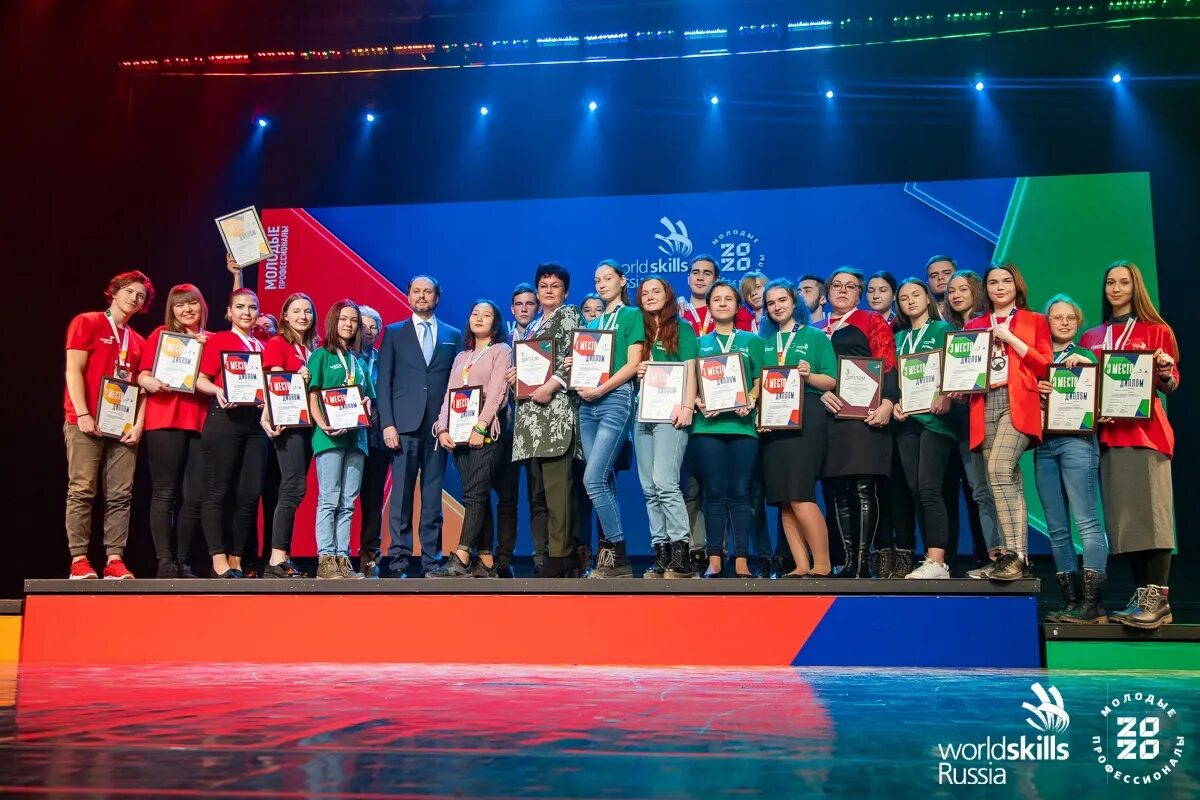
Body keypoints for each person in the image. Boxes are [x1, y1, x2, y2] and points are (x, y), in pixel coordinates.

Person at [1078, 261, 1179, 629]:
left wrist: (1165, 370)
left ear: (1135, 287)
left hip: (1146, 435)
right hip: (1107, 437)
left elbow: (1170, 384)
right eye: (1110, 283)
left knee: (1153, 518)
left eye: (1124, 282)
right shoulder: (1091, 336)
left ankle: (1160, 598)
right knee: (1127, 523)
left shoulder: (1156, 331)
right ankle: (1143, 596)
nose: (1116, 288)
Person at [959, 262, 1052, 582]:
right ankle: (1009, 556)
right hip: (983, 404)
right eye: (993, 282)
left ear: (1017, 286)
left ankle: (1016, 555)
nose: (999, 287)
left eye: (1006, 281)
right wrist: (958, 385)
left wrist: (1011, 338)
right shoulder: (975, 324)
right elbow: (965, 368)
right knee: (1006, 477)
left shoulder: (1034, 320)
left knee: (999, 469)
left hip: (1018, 402)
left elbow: (1045, 365)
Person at [63, 270, 153, 579]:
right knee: (82, 490)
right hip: (84, 421)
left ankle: (114, 559)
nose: (134, 298)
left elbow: (141, 390)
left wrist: (139, 425)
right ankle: (79, 560)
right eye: (129, 291)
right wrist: (83, 413)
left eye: (140, 296)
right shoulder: (86, 322)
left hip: (122, 426)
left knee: (120, 495)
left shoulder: (138, 341)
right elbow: (73, 370)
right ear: (114, 291)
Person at [377, 276, 463, 577]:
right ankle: (398, 561)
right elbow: (383, 383)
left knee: (432, 497)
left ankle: (431, 561)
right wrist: (387, 424)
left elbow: (458, 385)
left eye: (428, 292)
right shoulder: (393, 333)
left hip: (438, 430)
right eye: (417, 291)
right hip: (402, 427)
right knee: (400, 497)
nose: (422, 296)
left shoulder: (453, 335)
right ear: (408, 296)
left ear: (437, 297)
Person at [817, 268, 898, 578]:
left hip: (865, 415)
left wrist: (889, 402)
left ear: (859, 293)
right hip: (830, 416)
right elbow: (806, 374)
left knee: (863, 487)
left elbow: (887, 362)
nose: (842, 290)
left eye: (850, 286)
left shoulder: (870, 321)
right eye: (836, 285)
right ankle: (848, 560)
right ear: (826, 292)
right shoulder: (814, 329)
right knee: (838, 490)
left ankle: (863, 561)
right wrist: (818, 392)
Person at [509, 263, 585, 578]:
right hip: (531, 421)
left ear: (565, 291)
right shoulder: (536, 325)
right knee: (538, 495)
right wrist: (516, 377)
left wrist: (551, 386)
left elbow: (576, 357)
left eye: (555, 285)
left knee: (558, 491)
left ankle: (561, 555)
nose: (549, 290)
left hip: (555, 416)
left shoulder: (570, 315)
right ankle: (542, 556)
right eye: (544, 285)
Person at [1034, 294, 1108, 621]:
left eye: (1070, 318)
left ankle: (1092, 605)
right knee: (1057, 528)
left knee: (1087, 521)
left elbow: (1102, 404)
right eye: (1057, 317)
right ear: (1046, 322)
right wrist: (1036, 388)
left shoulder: (1086, 356)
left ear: (1078, 323)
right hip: (1043, 446)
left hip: (1077, 441)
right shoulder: (1037, 361)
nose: (1064, 322)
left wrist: (1085, 370)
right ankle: (1072, 602)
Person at [569, 260, 644, 578]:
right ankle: (610, 558)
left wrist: (600, 388)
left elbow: (632, 364)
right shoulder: (593, 323)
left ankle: (619, 553)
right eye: (597, 279)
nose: (601, 284)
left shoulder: (632, 315)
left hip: (615, 399)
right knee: (604, 480)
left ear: (622, 281)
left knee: (592, 479)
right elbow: (587, 365)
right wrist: (575, 363)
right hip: (587, 405)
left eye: (607, 278)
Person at [758, 279, 837, 578]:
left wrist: (809, 375)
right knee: (784, 498)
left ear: (794, 302)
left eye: (782, 300)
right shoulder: (764, 343)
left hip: (807, 418)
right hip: (774, 424)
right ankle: (801, 564)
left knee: (801, 493)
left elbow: (830, 380)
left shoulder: (816, 337)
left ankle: (823, 563)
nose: (777, 307)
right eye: (771, 303)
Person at [428, 301, 513, 577]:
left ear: (495, 323)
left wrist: (481, 426)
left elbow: (498, 391)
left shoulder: (501, 350)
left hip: (485, 433)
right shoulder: (461, 357)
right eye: (475, 313)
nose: (479, 318)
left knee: (475, 493)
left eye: (487, 315)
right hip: (458, 435)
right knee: (475, 495)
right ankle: (486, 560)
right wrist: (441, 428)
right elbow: (449, 395)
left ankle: (462, 556)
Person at [692, 280, 764, 578]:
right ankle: (715, 558)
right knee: (714, 492)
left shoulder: (752, 342)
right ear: (709, 307)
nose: (722, 303)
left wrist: (751, 397)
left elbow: (761, 379)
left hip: (744, 426)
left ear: (737, 306)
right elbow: (691, 383)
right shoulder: (699, 344)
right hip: (708, 426)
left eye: (728, 299)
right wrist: (699, 401)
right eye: (716, 299)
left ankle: (742, 557)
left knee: (740, 491)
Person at [137, 282, 209, 578]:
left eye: (191, 303)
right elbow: (142, 373)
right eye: (179, 305)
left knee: (194, 496)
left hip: (200, 422)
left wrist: (236, 276)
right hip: (165, 419)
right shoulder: (160, 336)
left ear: (201, 306)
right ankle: (165, 561)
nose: (186, 309)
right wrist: (147, 381)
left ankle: (182, 560)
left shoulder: (211, 340)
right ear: (172, 310)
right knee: (165, 493)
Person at [195, 288, 268, 578]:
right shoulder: (220, 340)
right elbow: (200, 380)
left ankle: (237, 557)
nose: (246, 312)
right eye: (240, 307)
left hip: (255, 424)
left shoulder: (263, 346)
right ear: (229, 312)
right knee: (218, 490)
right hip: (224, 418)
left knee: (250, 493)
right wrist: (218, 390)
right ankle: (218, 558)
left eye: (252, 307)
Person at [891, 278, 956, 579]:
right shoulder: (900, 337)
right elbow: (896, 380)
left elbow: (957, 368)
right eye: (904, 298)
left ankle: (938, 560)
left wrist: (944, 394)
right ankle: (929, 558)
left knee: (930, 487)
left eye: (916, 295)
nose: (910, 301)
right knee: (916, 490)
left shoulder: (943, 330)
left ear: (928, 298)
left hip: (936, 422)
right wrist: (895, 403)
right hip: (908, 421)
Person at [633, 277, 698, 579]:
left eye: (655, 291)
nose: (649, 296)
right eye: (644, 293)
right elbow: (629, 368)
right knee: (648, 487)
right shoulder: (638, 330)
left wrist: (687, 406)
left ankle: (681, 553)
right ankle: (661, 553)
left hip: (671, 415)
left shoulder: (681, 328)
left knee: (665, 483)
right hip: (642, 414)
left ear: (668, 295)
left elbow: (691, 370)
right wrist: (639, 369)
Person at [308, 300, 375, 579]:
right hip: (329, 438)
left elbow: (367, 396)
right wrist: (322, 423)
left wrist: (368, 404)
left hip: (356, 439)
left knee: (348, 500)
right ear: (333, 322)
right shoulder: (321, 355)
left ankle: (342, 557)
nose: (349, 324)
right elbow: (313, 394)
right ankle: (326, 558)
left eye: (354, 321)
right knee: (329, 498)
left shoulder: (358, 361)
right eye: (344, 319)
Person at [945, 269, 1001, 574]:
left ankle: (1007, 556)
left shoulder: (989, 327)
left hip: (992, 417)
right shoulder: (951, 333)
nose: (955, 295)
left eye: (962, 289)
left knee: (997, 488)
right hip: (965, 424)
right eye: (951, 291)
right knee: (980, 491)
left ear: (976, 291)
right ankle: (992, 556)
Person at [259, 293, 317, 578]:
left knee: (297, 488)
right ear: (284, 316)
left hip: (309, 427)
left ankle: (282, 555)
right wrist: (271, 414)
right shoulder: (277, 344)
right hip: (289, 424)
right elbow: (276, 384)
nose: (303, 316)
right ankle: (276, 557)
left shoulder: (313, 348)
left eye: (307, 311)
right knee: (292, 486)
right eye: (296, 311)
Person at [493, 283, 541, 577]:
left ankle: (542, 555)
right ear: (512, 310)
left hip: (538, 427)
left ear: (536, 308)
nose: (524, 309)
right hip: (508, 429)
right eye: (519, 304)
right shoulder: (502, 343)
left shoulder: (544, 338)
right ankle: (503, 558)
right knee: (507, 497)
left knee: (539, 496)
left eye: (529, 304)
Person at [356, 304, 388, 578]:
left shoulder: (384, 360)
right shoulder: (343, 358)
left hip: (377, 438)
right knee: (342, 497)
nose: (369, 331)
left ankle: (369, 556)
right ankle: (335, 555)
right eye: (363, 325)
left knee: (373, 500)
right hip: (349, 437)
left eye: (374, 326)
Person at [925, 256, 957, 320]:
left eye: (947, 273)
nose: (940, 277)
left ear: (958, 276)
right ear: (927, 283)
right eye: (934, 276)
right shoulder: (922, 314)